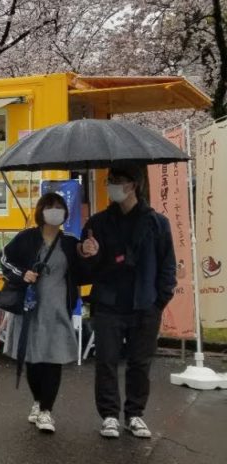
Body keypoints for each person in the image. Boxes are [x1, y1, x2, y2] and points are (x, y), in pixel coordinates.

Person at [79, 163, 176, 440]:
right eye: (109, 180)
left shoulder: (157, 223)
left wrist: (160, 299)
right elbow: (87, 269)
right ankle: (109, 415)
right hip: (109, 304)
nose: (111, 186)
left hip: (145, 304)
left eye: (116, 181)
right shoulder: (98, 222)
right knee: (106, 362)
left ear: (132, 185)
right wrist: (88, 253)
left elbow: (167, 264)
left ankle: (134, 415)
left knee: (139, 363)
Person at [0, 192, 88, 434]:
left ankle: (47, 411)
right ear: (41, 210)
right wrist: (22, 274)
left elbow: (83, 271)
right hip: (30, 310)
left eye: (59, 206)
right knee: (33, 360)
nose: (55, 211)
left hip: (58, 309)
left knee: (53, 360)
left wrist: (90, 253)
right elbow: (4, 260)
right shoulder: (26, 238)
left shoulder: (70, 242)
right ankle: (38, 402)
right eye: (49, 206)